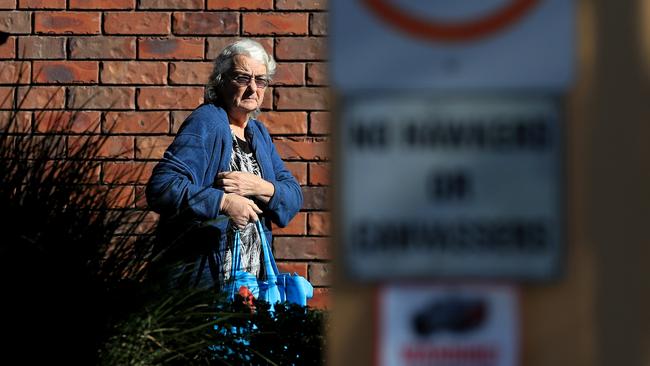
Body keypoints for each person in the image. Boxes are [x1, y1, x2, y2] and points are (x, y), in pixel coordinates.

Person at [145, 39, 303, 290]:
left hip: (250, 288)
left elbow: (293, 197)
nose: (253, 88)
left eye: (260, 80)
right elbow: (162, 187)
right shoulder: (207, 121)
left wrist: (260, 186)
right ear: (221, 81)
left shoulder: (257, 133)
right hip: (205, 290)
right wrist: (224, 202)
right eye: (242, 78)